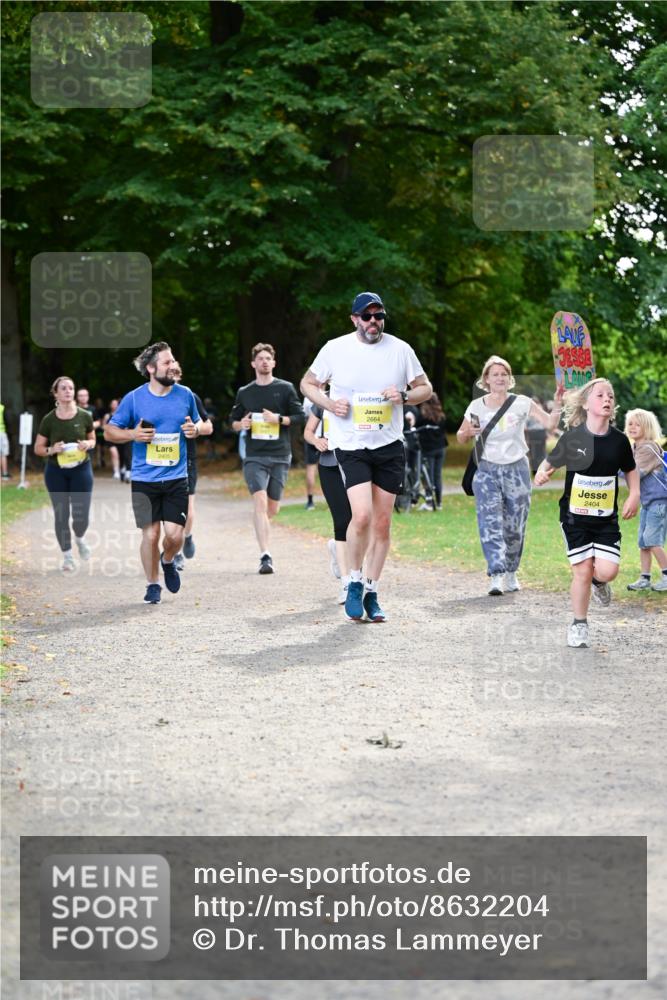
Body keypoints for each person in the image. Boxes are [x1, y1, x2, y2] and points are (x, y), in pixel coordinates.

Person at [301, 291, 432, 622]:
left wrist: (403, 395)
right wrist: (330, 405)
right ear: (354, 319)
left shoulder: (401, 350)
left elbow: (425, 388)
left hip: (388, 445)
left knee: (382, 523)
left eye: (379, 316)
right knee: (360, 517)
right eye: (367, 316)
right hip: (351, 445)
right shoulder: (335, 348)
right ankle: (354, 581)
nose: (374, 322)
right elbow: (308, 384)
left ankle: (372, 591)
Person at [534, 378, 639, 648]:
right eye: (600, 395)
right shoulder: (573, 437)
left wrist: (634, 494)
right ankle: (579, 624)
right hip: (574, 518)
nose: (607, 399)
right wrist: (542, 473)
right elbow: (550, 462)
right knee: (581, 571)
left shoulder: (619, 441)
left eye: (610, 396)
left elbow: (630, 469)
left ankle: (599, 582)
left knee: (608, 570)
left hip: (605, 520)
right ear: (585, 403)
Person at [104, 342, 205, 604]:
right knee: (150, 535)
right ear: (150, 368)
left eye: (173, 361)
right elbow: (109, 432)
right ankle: (152, 584)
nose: (173, 366)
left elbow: (204, 424)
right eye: (166, 362)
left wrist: (196, 429)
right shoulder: (134, 398)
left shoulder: (185, 395)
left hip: (176, 478)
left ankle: (168, 560)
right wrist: (133, 434)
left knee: (174, 535)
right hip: (143, 479)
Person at [456, 355, 564, 596]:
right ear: (486, 379)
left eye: (504, 374)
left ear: (510, 378)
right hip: (486, 469)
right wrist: (468, 432)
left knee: (515, 525)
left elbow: (549, 424)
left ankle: (511, 571)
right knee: (489, 522)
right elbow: (461, 436)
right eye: (495, 374)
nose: (500, 378)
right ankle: (496, 574)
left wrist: (557, 403)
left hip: (517, 469)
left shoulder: (521, 402)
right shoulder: (476, 406)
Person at [230, 343, 304, 574]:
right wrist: (241, 424)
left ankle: (261, 522)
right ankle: (265, 555)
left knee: (272, 509)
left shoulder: (285, 388)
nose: (264, 361)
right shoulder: (245, 392)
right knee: (260, 503)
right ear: (253, 363)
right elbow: (232, 421)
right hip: (254, 456)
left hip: (280, 454)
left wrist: (279, 419)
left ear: (274, 363)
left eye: (268, 358)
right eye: (260, 358)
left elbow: (300, 416)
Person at [33, 376, 96, 572]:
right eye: (63, 388)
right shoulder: (49, 419)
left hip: (81, 469)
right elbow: (38, 448)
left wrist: (87, 444)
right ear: (56, 393)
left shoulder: (85, 416)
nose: (68, 391)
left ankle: (80, 538)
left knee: (81, 515)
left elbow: (93, 439)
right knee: (61, 515)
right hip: (56, 472)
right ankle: (68, 557)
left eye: (71, 388)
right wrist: (52, 449)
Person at [304, 401, 352, 604]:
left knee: (360, 522)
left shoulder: (362, 394)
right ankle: (347, 583)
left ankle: (340, 554)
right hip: (329, 465)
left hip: (358, 463)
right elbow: (308, 431)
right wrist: (316, 441)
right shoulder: (323, 400)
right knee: (342, 522)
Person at [172, 363, 213, 570]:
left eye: (174, 373)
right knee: (169, 509)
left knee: (187, 507)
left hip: (186, 459)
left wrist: (195, 429)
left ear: (179, 375)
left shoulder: (189, 397)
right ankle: (175, 552)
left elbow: (208, 426)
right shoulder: (149, 399)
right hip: (160, 461)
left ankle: (187, 536)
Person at [623, 408, 667, 592]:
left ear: (647, 427)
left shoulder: (648, 448)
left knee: (652, 540)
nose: (632, 427)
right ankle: (645, 578)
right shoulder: (635, 447)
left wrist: (610, 467)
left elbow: (635, 473)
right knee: (643, 541)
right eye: (630, 423)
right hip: (648, 502)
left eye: (637, 424)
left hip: (659, 502)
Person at [415, 393, 447, 509]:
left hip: (428, 449)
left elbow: (416, 429)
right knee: (438, 475)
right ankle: (439, 503)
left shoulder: (422, 415)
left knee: (428, 476)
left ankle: (429, 502)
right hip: (441, 448)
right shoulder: (441, 415)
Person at [303, 398, 319, 510]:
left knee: (311, 469)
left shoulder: (308, 397)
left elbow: (305, 416)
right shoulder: (330, 395)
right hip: (326, 436)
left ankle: (310, 501)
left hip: (311, 436)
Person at [525, 397, 549, 474]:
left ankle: (539, 470)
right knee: (537, 452)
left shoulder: (534, 411)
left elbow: (525, 426)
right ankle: (539, 470)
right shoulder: (532, 411)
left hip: (536, 433)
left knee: (537, 452)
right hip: (536, 433)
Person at [101, 399, 123, 480]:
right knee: (114, 453)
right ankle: (116, 471)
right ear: (110, 405)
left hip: (120, 438)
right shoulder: (107, 416)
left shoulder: (121, 415)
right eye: (112, 404)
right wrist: (109, 430)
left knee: (121, 455)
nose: (114, 405)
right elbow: (103, 426)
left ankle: (122, 468)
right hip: (110, 438)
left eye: (115, 404)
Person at [0, 402, 11, 479]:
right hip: (2, 433)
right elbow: (7, 421)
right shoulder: (2, 408)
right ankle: (4, 474)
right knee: (3, 454)